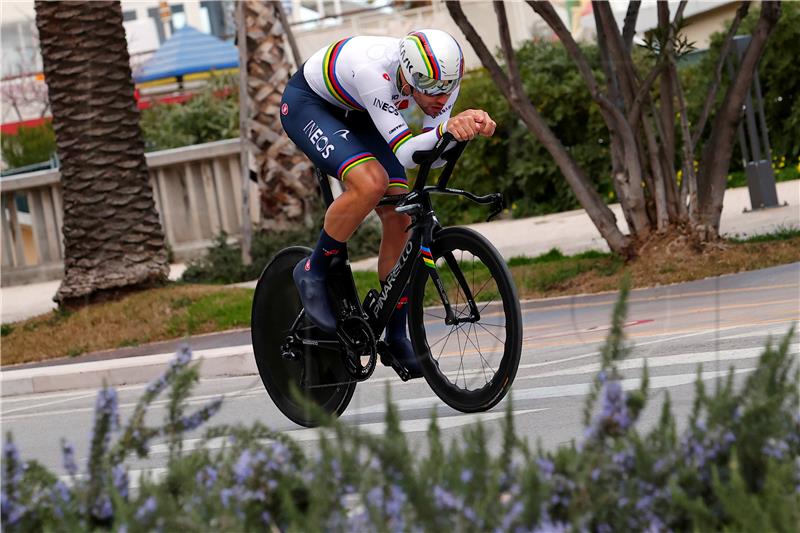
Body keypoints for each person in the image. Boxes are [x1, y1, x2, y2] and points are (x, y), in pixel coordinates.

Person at [279, 29, 496, 377]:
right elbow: (409, 154)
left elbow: (433, 157)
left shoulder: (439, 82)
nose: (440, 98)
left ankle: (396, 335)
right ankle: (313, 270)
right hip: (311, 106)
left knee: (401, 215)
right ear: (408, 78)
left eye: (447, 88)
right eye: (429, 87)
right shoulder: (374, 73)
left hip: (360, 113)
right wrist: (446, 130)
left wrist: (463, 128)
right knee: (371, 183)